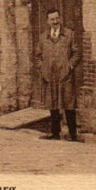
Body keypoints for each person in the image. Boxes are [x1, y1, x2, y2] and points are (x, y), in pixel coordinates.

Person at [35, 9, 81, 141]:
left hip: (65, 75)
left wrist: (69, 66)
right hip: (49, 76)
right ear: (47, 21)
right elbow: (37, 56)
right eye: (52, 19)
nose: (55, 21)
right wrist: (42, 68)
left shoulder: (69, 34)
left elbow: (77, 53)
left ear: (60, 19)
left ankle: (73, 134)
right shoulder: (43, 37)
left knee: (69, 104)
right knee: (53, 104)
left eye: (57, 18)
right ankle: (55, 133)